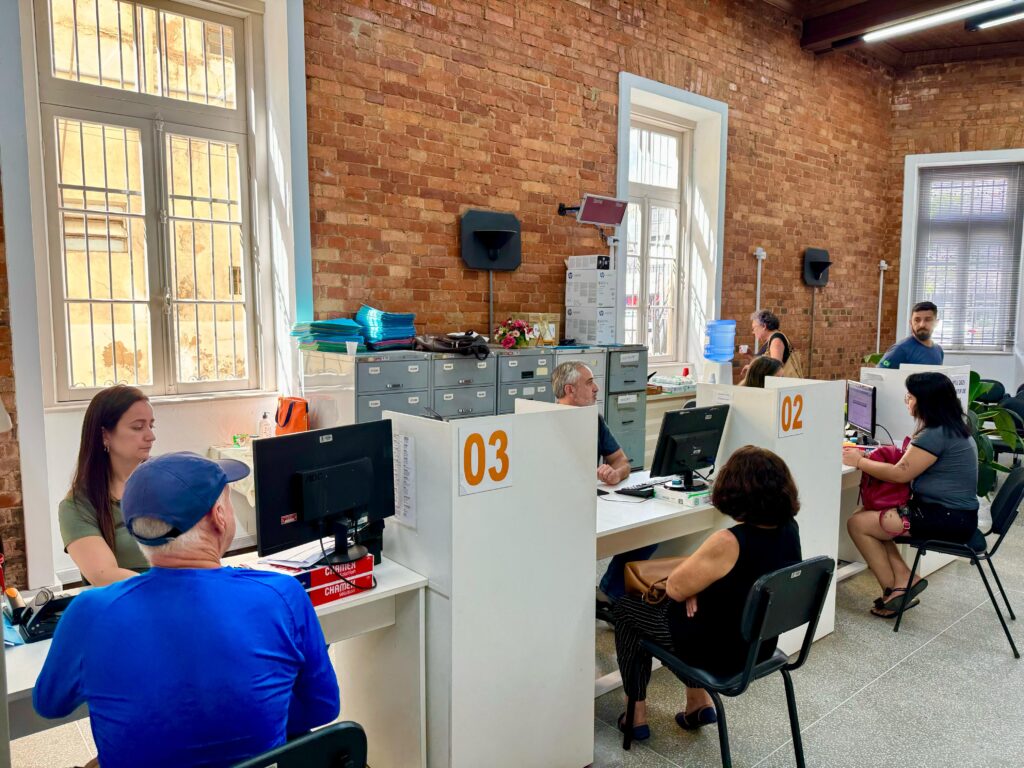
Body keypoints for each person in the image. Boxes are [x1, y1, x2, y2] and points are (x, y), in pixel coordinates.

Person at [34, 453, 341, 768]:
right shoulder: (283, 596)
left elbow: (50, 704)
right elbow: (323, 708)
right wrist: (256, 708)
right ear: (219, 516)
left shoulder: (89, 612)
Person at [611, 446, 802, 741]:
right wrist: (699, 584)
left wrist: (693, 586)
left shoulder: (729, 541)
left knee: (626, 609)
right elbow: (738, 580)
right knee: (688, 616)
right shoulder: (790, 529)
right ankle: (697, 703)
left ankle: (635, 714)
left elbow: (674, 588)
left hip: (719, 653)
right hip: (759, 646)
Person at [843, 372, 977, 618]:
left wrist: (859, 461)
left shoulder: (936, 433)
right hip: (954, 515)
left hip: (946, 518)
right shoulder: (953, 427)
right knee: (867, 515)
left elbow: (900, 474)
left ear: (926, 402)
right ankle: (905, 578)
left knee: (857, 524)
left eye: (911, 397)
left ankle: (895, 591)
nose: (907, 402)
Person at [553, 361, 655, 602]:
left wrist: (616, 473)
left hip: (593, 500)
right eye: (589, 383)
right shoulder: (546, 422)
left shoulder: (595, 421)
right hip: (557, 505)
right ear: (570, 390)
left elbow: (621, 461)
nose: (596, 388)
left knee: (647, 531)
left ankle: (609, 592)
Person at [59, 384, 155, 585]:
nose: (150, 436)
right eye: (138, 427)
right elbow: (104, 575)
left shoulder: (162, 485)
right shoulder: (76, 507)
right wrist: (164, 589)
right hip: (129, 598)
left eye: (151, 426)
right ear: (105, 435)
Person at [878, 301, 943, 369]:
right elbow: (880, 371)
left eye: (928, 320)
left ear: (936, 323)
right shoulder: (900, 349)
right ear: (911, 323)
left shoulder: (938, 350)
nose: (922, 325)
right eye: (917, 320)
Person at [740, 310, 791, 379]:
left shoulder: (776, 340)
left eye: (754, 328)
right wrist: (750, 355)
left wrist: (752, 368)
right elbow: (765, 364)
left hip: (780, 384)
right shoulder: (770, 340)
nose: (753, 332)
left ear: (764, 326)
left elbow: (775, 369)